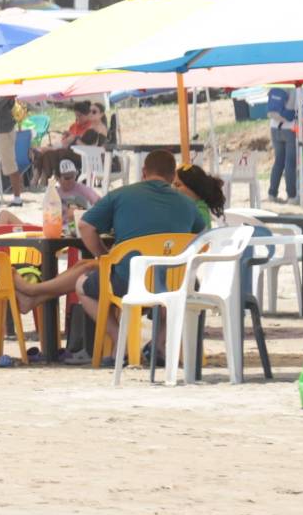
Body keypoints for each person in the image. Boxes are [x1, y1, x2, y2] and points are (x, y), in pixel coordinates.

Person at [13, 151, 203, 365]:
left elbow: (85, 225)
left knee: (83, 285)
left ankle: (121, 340)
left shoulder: (122, 194)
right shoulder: (188, 205)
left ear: (143, 172)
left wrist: (104, 256)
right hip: (174, 282)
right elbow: (199, 238)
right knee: (91, 268)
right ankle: (158, 346)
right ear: (171, 177)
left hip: (128, 281)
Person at [0, 158, 100, 231]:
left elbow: (101, 203)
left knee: (71, 212)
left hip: (68, 232)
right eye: (67, 177)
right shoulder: (54, 193)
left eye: (73, 176)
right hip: (51, 229)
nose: (71, 180)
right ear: (58, 178)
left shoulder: (82, 189)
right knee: (4, 215)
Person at [265, 85, 298, 202]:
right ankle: (291, 195)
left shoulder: (277, 83)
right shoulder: (293, 87)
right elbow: (295, 106)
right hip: (289, 128)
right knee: (290, 162)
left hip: (274, 127)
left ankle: (272, 193)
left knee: (278, 161)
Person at [174, 163, 227, 229]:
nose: (173, 188)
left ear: (193, 187)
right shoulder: (192, 208)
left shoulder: (200, 213)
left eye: (178, 185)